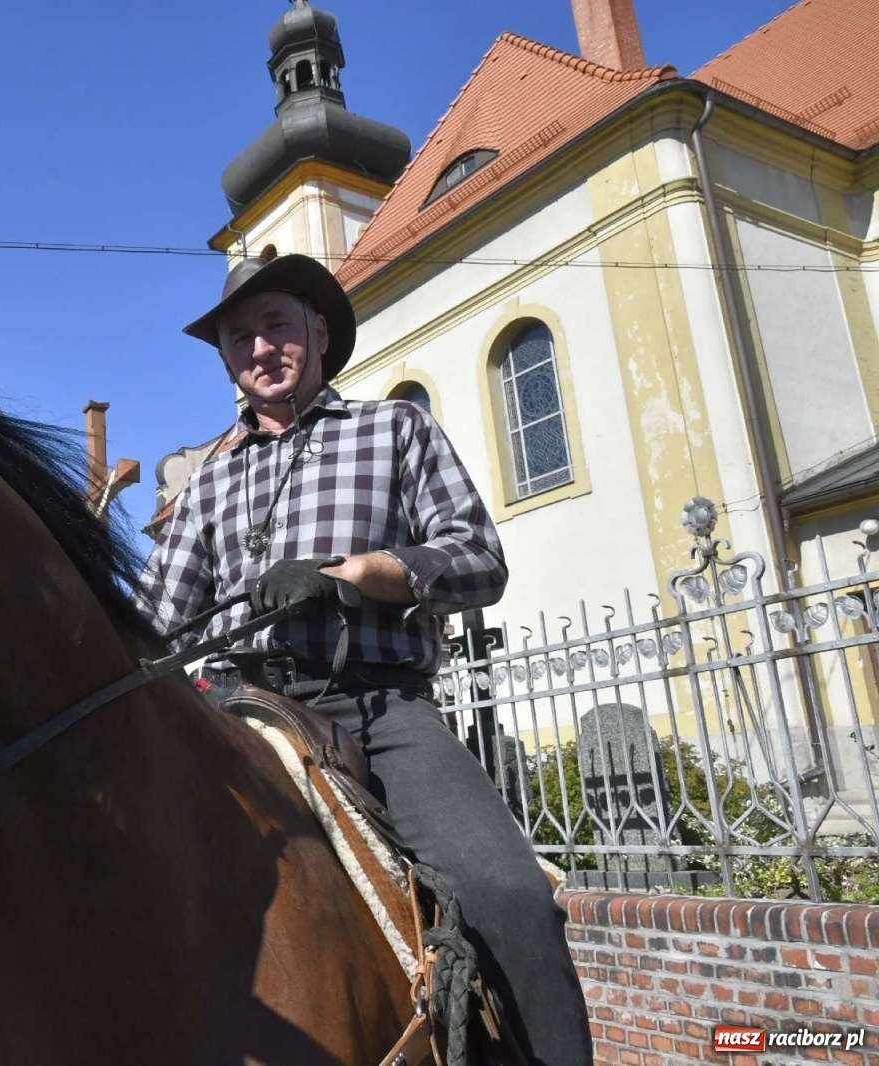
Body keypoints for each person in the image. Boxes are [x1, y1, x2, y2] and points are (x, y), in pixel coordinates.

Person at [135, 251, 591, 1066]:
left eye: (274, 326)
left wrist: (359, 576)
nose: (258, 349)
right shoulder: (206, 482)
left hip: (378, 708)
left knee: (508, 893)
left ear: (316, 331)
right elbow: (158, 625)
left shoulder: (392, 429)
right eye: (238, 339)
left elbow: (479, 558)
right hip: (240, 709)